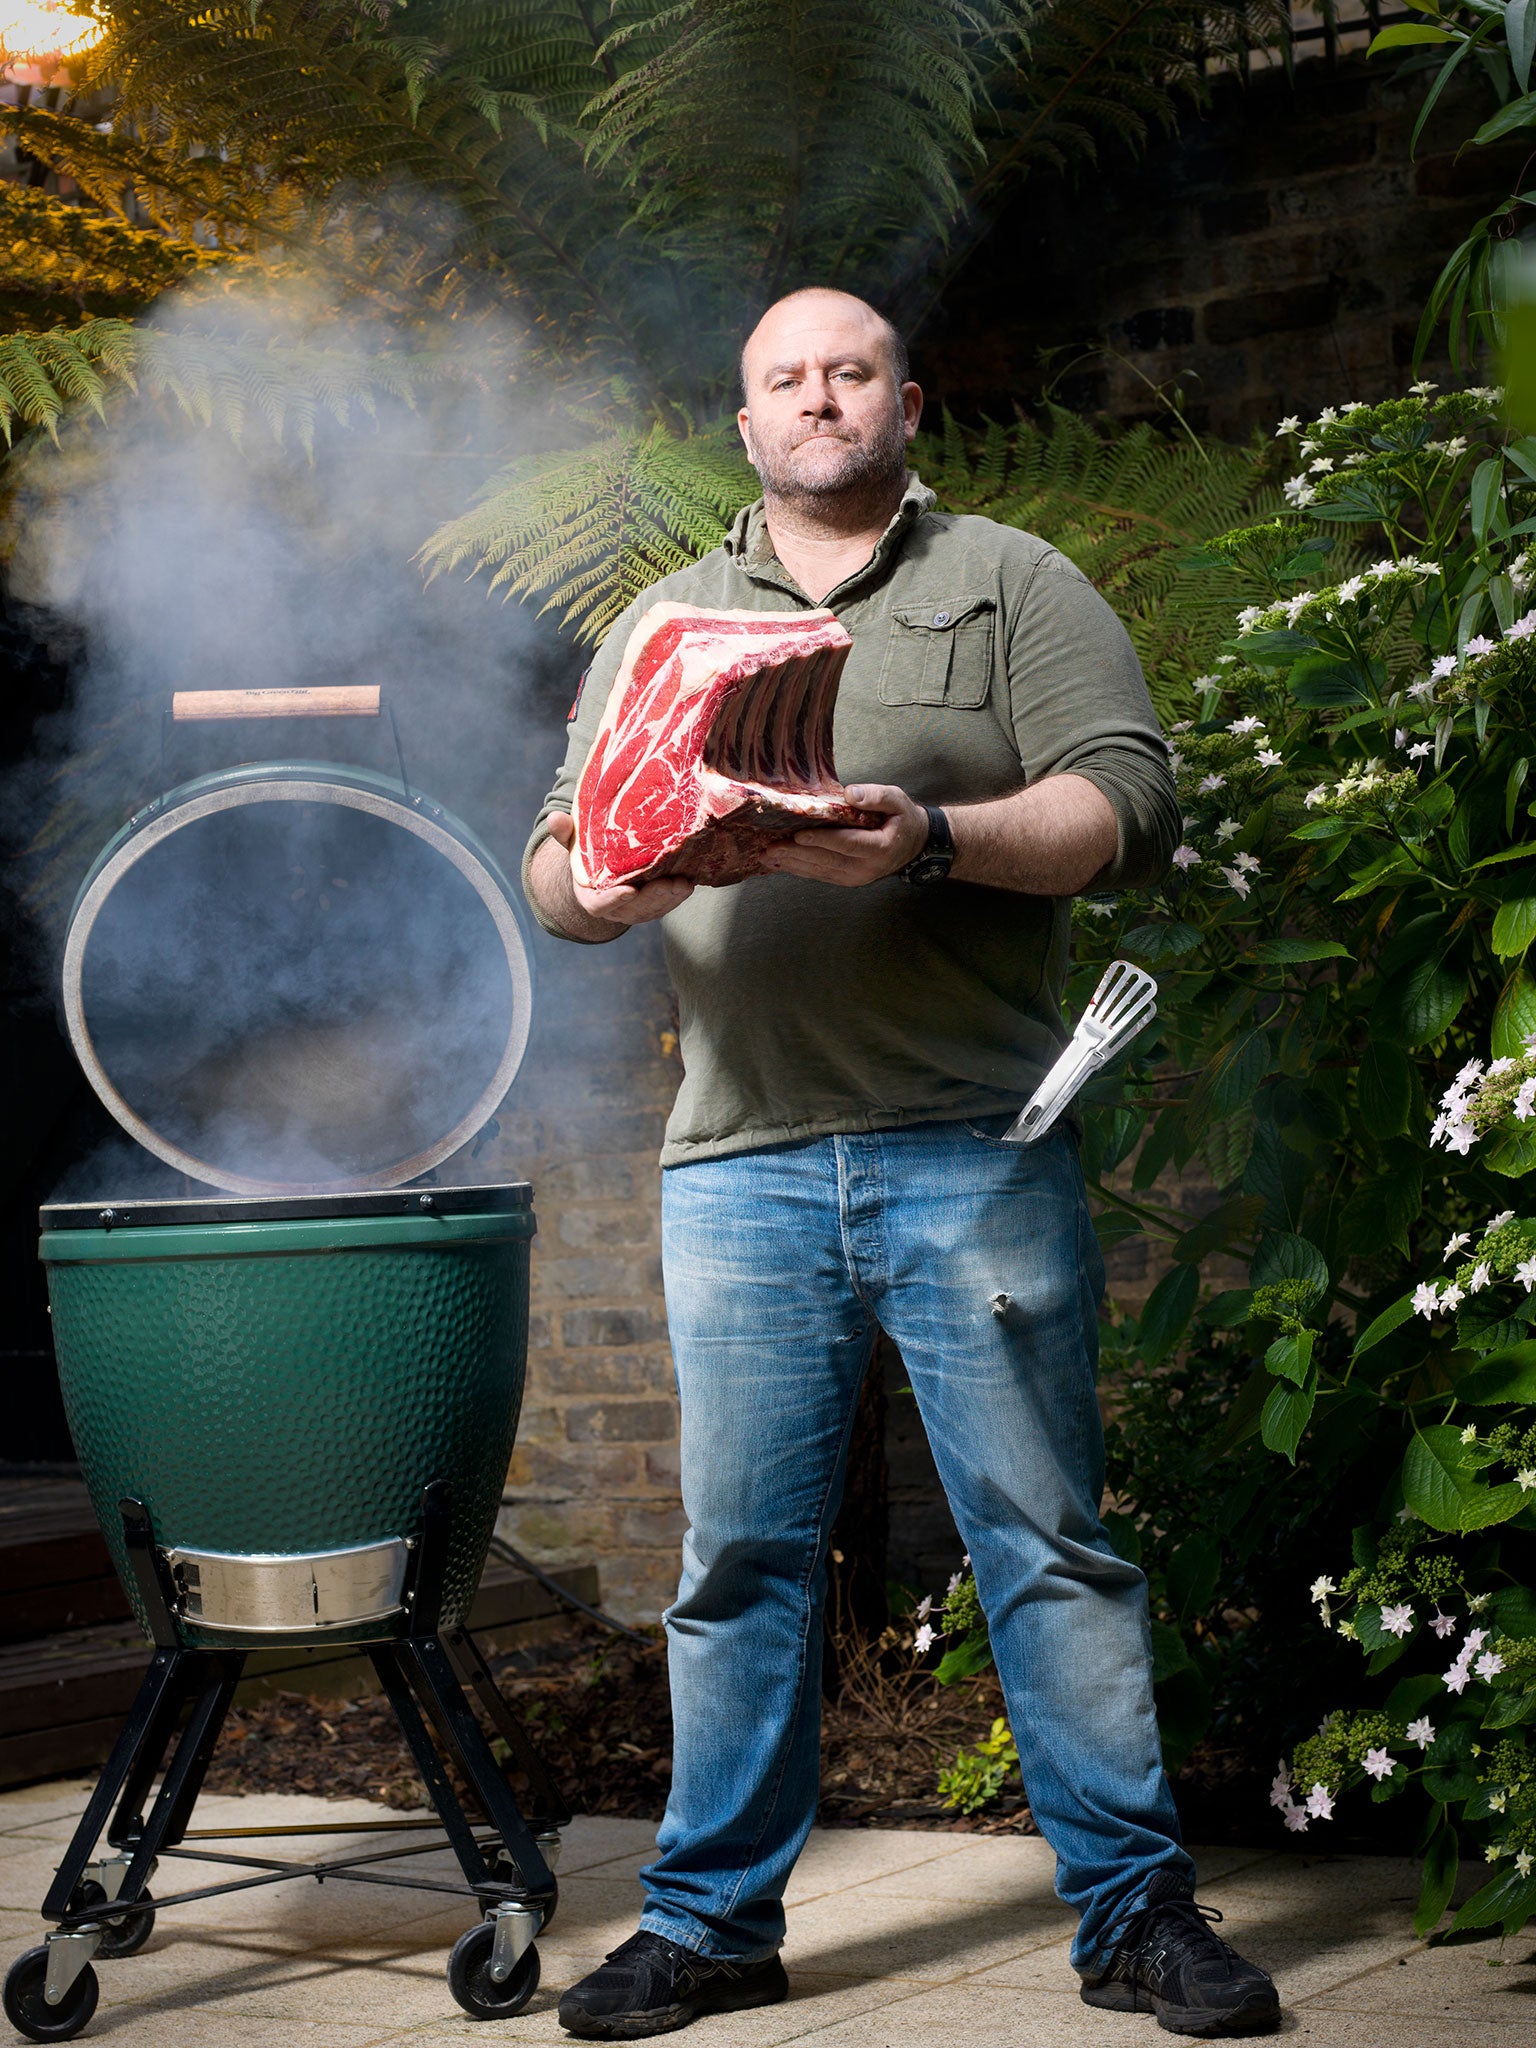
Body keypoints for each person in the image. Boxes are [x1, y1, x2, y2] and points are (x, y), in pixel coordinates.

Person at [522, 287, 1280, 2041]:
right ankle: (711, 1924)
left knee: (1045, 1546)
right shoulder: (664, 617)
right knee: (742, 1562)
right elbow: (559, 864)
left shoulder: (1013, 581)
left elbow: (1126, 803)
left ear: (906, 401)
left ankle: (1134, 1917)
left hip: (973, 1148)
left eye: (849, 371)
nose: (819, 399)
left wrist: (928, 836)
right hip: (740, 1167)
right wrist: (608, 887)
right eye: (784, 379)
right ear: (748, 424)